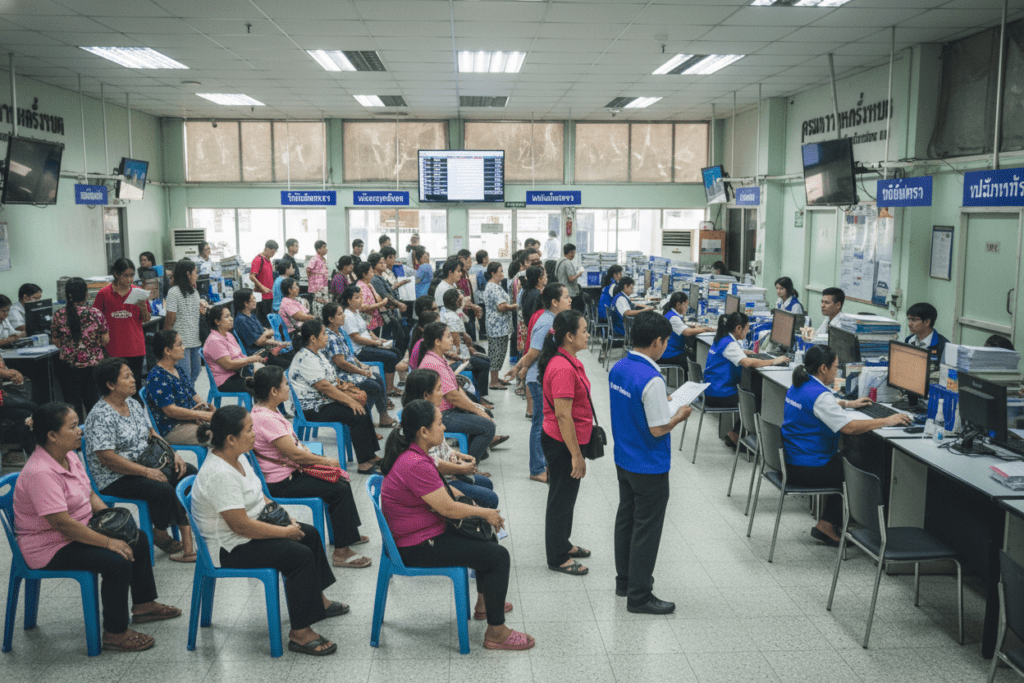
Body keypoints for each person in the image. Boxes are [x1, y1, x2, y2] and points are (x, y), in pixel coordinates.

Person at [14, 402, 181, 652]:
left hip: (78, 529)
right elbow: (61, 523)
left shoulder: (68, 454)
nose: (80, 430)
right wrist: (107, 541)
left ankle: (144, 605)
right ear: (52, 435)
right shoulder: (40, 473)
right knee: (115, 560)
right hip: (49, 545)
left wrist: (110, 518)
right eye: (73, 427)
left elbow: (89, 492)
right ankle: (115, 633)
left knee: (139, 537)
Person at [190, 405, 345, 656]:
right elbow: (240, 526)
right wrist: (284, 533)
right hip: (230, 547)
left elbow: (258, 493)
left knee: (310, 534)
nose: (254, 434)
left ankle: (318, 601)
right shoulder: (219, 474)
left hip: (249, 529)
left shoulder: (237, 455)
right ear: (230, 439)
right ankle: (300, 633)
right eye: (250, 430)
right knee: (299, 555)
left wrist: (284, 517)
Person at [379, 399, 532, 650]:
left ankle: (485, 605)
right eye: (439, 423)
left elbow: (442, 492)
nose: (443, 428)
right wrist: (484, 513)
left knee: (485, 537)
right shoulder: (414, 463)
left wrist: (471, 505)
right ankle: (496, 632)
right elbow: (447, 508)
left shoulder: (416, 454)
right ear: (423, 431)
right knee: (498, 556)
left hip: (424, 532)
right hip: (416, 545)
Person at [782, 345, 912, 545]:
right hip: (808, 467)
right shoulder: (820, 395)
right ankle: (833, 524)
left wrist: (848, 404)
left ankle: (834, 520)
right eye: (835, 367)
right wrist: (887, 420)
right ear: (823, 368)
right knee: (859, 462)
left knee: (853, 455)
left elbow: (818, 406)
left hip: (794, 460)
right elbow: (849, 428)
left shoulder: (800, 383)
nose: (837, 371)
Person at [609, 312, 694, 614]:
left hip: (624, 458)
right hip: (648, 463)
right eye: (666, 342)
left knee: (626, 519)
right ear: (658, 342)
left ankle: (625, 582)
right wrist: (679, 415)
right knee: (647, 528)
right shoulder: (652, 378)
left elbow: (633, 407)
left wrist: (662, 403)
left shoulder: (619, 367)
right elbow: (658, 429)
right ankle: (640, 595)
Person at [250, 366, 372, 568]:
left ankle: (346, 534)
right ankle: (341, 552)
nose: (289, 388)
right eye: (285, 384)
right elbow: (294, 454)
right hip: (280, 482)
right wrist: (325, 461)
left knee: (339, 480)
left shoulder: (266, 412)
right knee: (338, 488)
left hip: (288, 472)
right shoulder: (266, 419)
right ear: (273, 391)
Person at [85, 357, 199, 562]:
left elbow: (151, 433)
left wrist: (173, 454)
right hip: (116, 476)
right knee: (161, 486)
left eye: (131, 375)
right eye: (126, 377)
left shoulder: (132, 403)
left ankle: (185, 527)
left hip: (146, 462)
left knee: (187, 471)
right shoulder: (100, 415)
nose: (133, 380)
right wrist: (146, 472)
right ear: (110, 385)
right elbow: (107, 458)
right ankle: (161, 532)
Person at [538, 310, 595, 576]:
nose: (587, 334)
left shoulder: (568, 360)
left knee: (567, 496)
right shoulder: (561, 368)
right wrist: (576, 455)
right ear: (569, 336)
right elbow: (563, 415)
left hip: (570, 438)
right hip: (563, 442)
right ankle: (557, 556)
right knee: (560, 499)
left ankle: (564, 542)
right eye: (583, 330)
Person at [289, 320, 382, 474]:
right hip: (312, 408)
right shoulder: (306, 358)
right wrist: (350, 401)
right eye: (324, 333)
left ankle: (371, 455)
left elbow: (329, 381)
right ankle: (364, 464)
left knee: (361, 405)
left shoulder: (316, 353)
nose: (327, 337)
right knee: (356, 412)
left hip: (324, 401)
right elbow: (324, 387)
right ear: (313, 338)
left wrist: (349, 394)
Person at [401, 369, 498, 508]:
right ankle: (474, 524)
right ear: (426, 395)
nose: (443, 393)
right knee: (490, 498)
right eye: (439, 389)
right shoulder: (421, 422)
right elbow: (432, 466)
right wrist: (461, 469)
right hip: (439, 480)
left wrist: (456, 455)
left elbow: (441, 448)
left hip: (444, 474)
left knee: (486, 483)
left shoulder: (429, 413)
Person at [506, 283, 572, 482]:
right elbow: (533, 353)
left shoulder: (553, 319)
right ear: (554, 302)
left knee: (544, 422)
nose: (570, 300)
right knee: (540, 423)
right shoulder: (546, 323)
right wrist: (518, 368)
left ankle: (543, 462)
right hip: (538, 380)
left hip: (545, 377)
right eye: (566, 297)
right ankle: (536, 468)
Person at [419, 321, 507, 460]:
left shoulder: (439, 358)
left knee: (484, 412)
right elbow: (451, 395)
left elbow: (455, 387)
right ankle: (467, 466)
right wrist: (476, 410)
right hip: (442, 413)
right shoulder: (433, 363)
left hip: (448, 409)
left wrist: (476, 407)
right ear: (437, 341)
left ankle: (476, 454)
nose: (452, 340)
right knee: (488, 427)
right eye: (448, 336)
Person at [705, 312, 788, 445]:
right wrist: (774, 361)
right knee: (756, 400)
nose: (748, 331)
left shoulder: (722, 339)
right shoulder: (730, 344)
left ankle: (738, 434)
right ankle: (737, 435)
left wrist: (741, 352)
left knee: (753, 391)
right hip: (719, 394)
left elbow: (727, 354)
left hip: (713, 389)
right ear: (738, 328)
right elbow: (748, 363)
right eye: (747, 328)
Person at [322, 302, 396, 429]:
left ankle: (383, 416)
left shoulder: (339, 332)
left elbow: (349, 355)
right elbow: (341, 363)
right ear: (330, 319)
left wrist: (360, 364)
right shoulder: (331, 337)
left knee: (377, 377)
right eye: (340, 314)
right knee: (373, 386)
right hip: (339, 376)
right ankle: (361, 422)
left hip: (348, 371)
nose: (343, 316)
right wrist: (360, 371)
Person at [50, 276, 109, 420]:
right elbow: (105, 340)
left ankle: (76, 436)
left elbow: (56, 342)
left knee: (72, 404)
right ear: (86, 294)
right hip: (93, 366)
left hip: (69, 367)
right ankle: (94, 434)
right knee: (93, 402)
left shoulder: (58, 315)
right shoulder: (96, 314)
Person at [145, 330, 214, 445]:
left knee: (231, 424)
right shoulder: (157, 377)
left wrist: (205, 407)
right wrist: (202, 415)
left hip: (190, 418)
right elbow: (171, 411)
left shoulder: (177, 369)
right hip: (173, 427)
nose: (183, 348)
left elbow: (192, 394)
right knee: (224, 436)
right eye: (179, 344)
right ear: (167, 350)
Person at [94, 258, 151, 391]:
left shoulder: (139, 292)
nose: (129, 279)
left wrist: (143, 307)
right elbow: (96, 319)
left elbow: (147, 319)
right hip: (113, 349)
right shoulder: (104, 294)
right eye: (125, 275)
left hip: (135, 347)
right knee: (114, 389)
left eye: (132, 275)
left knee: (133, 387)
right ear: (116, 274)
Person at [339, 285, 402, 396]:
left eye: (361, 297)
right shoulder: (348, 316)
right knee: (391, 357)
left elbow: (367, 329)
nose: (361, 301)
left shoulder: (355, 312)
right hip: (359, 350)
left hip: (367, 345)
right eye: (357, 298)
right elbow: (356, 338)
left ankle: (390, 385)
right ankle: (389, 389)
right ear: (349, 300)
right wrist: (375, 343)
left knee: (396, 351)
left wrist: (378, 339)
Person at [203, 304, 264, 394]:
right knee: (263, 386)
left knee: (267, 377)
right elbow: (229, 365)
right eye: (227, 317)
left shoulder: (228, 335)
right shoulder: (214, 341)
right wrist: (250, 360)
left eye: (230, 315)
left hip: (239, 372)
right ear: (217, 321)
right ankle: (259, 407)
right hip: (226, 380)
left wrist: (253, 364)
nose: (231, 319)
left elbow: (240, 355)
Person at [441, 289, 491, 398]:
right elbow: (455, 345)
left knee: (484, 358)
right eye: (461, 299)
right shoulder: (453, 317)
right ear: (456, 302)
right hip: (457, 357)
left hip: (460, 351)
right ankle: (480, 397)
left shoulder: (451, 313)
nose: (463, 301)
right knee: (484, 364)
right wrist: (464, 356)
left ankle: (480, 394)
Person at [163, 259, 204, 383]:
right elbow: (170, 318)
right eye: (195, 272)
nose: (197, 276)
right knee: (184, 374)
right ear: (188, 274)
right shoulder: (173, 292)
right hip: (180, 342)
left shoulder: (194, 292)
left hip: (194, 340)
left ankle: (190, 400)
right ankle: (186, 401)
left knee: (196, 372)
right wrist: (165, 340)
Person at [233, 288, 293, 368]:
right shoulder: (242, 320)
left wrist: (276, 341)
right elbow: (259, 341)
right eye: (253, 299)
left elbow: (263, 333)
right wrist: (269, 333)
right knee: (289, 364)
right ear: (246, 303)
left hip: (265, 349)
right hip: (258, 354)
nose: (255, 301)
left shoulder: (251, 315)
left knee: (292, 355)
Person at [602, 276, 654, 362]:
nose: (632, 291)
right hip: (622, 328)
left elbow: (630, 303)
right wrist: (645, 310)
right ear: (625, 286)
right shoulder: (621, 299)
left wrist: (643, 306)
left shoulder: (620, 295)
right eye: (631, 288)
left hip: (617, 326)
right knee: (649, 329)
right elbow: (627, 313)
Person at [482, 262, 515, 390]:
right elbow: (501, 306)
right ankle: (494, 382)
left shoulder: (494, 286)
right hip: (497, 326)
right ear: (493, 273)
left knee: (498, 352)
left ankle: (495, 378)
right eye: (500, 271)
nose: (502, 274)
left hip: (497, 325)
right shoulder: (494, 287)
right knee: (497, 352)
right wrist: (515, 306)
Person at [370, 248, 410, 355]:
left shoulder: (380, 277)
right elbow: (385, 295)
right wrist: (399, 304)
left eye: (384, 262)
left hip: (389, 313)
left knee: (399, 337)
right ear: (374, 264)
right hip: (382, 316)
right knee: (389, 340)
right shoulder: (375, 279)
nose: (384, 265)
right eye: (381, 263)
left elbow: (389, 291)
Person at [660, 291, 714, 368]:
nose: (687, 307)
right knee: (693, 359)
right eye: (686, 305)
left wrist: (692, 326)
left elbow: (681, 326)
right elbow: (687, 332)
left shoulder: (671, 313)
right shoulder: (673, 318)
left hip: (669, 350)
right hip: (670, 353)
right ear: (678, 305)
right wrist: (706, 329)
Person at [354, 260, 389, 341]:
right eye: (370, 271)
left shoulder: (368, 284)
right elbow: (363, 308)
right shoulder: (360, 287)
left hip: (374, 320)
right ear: (364, 274)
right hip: (368, 321)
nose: (372, 273)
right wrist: (382, 303)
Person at [249, 240, 279, 323]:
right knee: (263, 321)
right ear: (267, 249)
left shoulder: (268, 260)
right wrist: (262, 287)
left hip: (269, 295)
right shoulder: (258, 259)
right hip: (261, 296)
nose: (273, 255)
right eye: (272, 252)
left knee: (270, 320)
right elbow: (252, 276)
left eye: (274, 253)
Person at [556, 245, 584, 315]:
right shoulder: (567, 262)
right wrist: (579, 273)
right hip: (570, 293)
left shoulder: (559, 261)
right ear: (571, 252)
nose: (574, 255)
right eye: (574, 252)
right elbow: (571, 278)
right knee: (574, 313)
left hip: (562, 291)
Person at [307, 240, 330, 304]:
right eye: (324, 247)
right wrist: (312, 281)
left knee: (324, 304)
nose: (326, 249)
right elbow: (308, 269)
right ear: (318, 249)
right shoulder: (314, 259)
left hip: (323, 287)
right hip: (316, 288)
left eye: (326, 247)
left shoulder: (323, 259)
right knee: (317, 306)